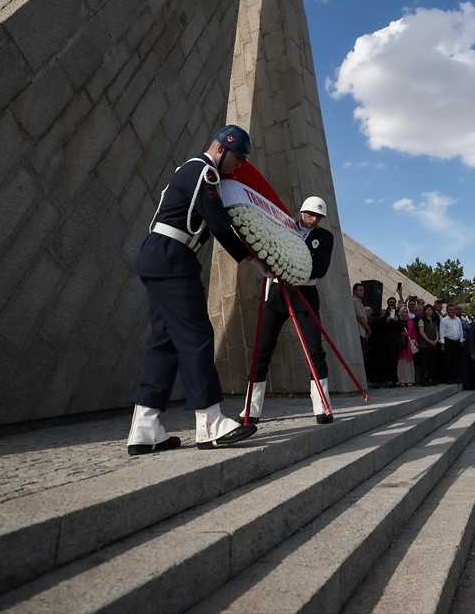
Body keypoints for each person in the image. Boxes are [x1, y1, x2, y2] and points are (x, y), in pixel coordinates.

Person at [127, 125, 259, 454]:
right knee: (196, 336)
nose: (237, 166)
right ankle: (210, 422)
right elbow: (218, 224)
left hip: (159, 256)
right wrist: (253, 257)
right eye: (237, 159)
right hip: (174, 260)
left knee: (164, 342)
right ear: (222, 149)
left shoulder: (188, 169)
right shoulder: (205, 173)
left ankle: (145, 427)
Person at [242, 195, 336, 425]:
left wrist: (288, 267)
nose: (313, 219)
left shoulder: (325, 237)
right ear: (302, 211)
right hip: (278, 291)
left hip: (305, 293)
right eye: (310, 214)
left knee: (314, 349)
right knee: (262, 348)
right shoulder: (284, 227)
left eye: (318, 216)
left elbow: (320, 269)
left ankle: (322, 406)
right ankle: (251, 409)